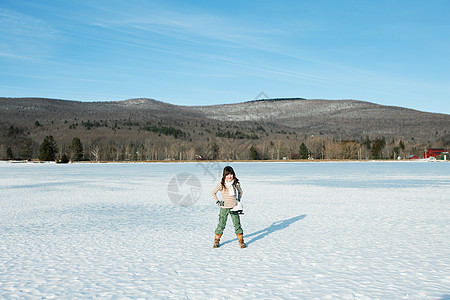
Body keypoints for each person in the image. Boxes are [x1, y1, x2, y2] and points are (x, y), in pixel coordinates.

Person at [211, 166, 246, 248]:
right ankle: (216, 240)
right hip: (224, 208)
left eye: (231, 174)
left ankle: (241, 241)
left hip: (234, 207)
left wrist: (238, 200)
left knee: (237, 224)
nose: (229, 176)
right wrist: (218, 201)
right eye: (227, 175)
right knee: (221, 224)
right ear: (224, 175)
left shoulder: (235, 184)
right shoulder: (221, 184)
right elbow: (213, 193)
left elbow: (240, 192)